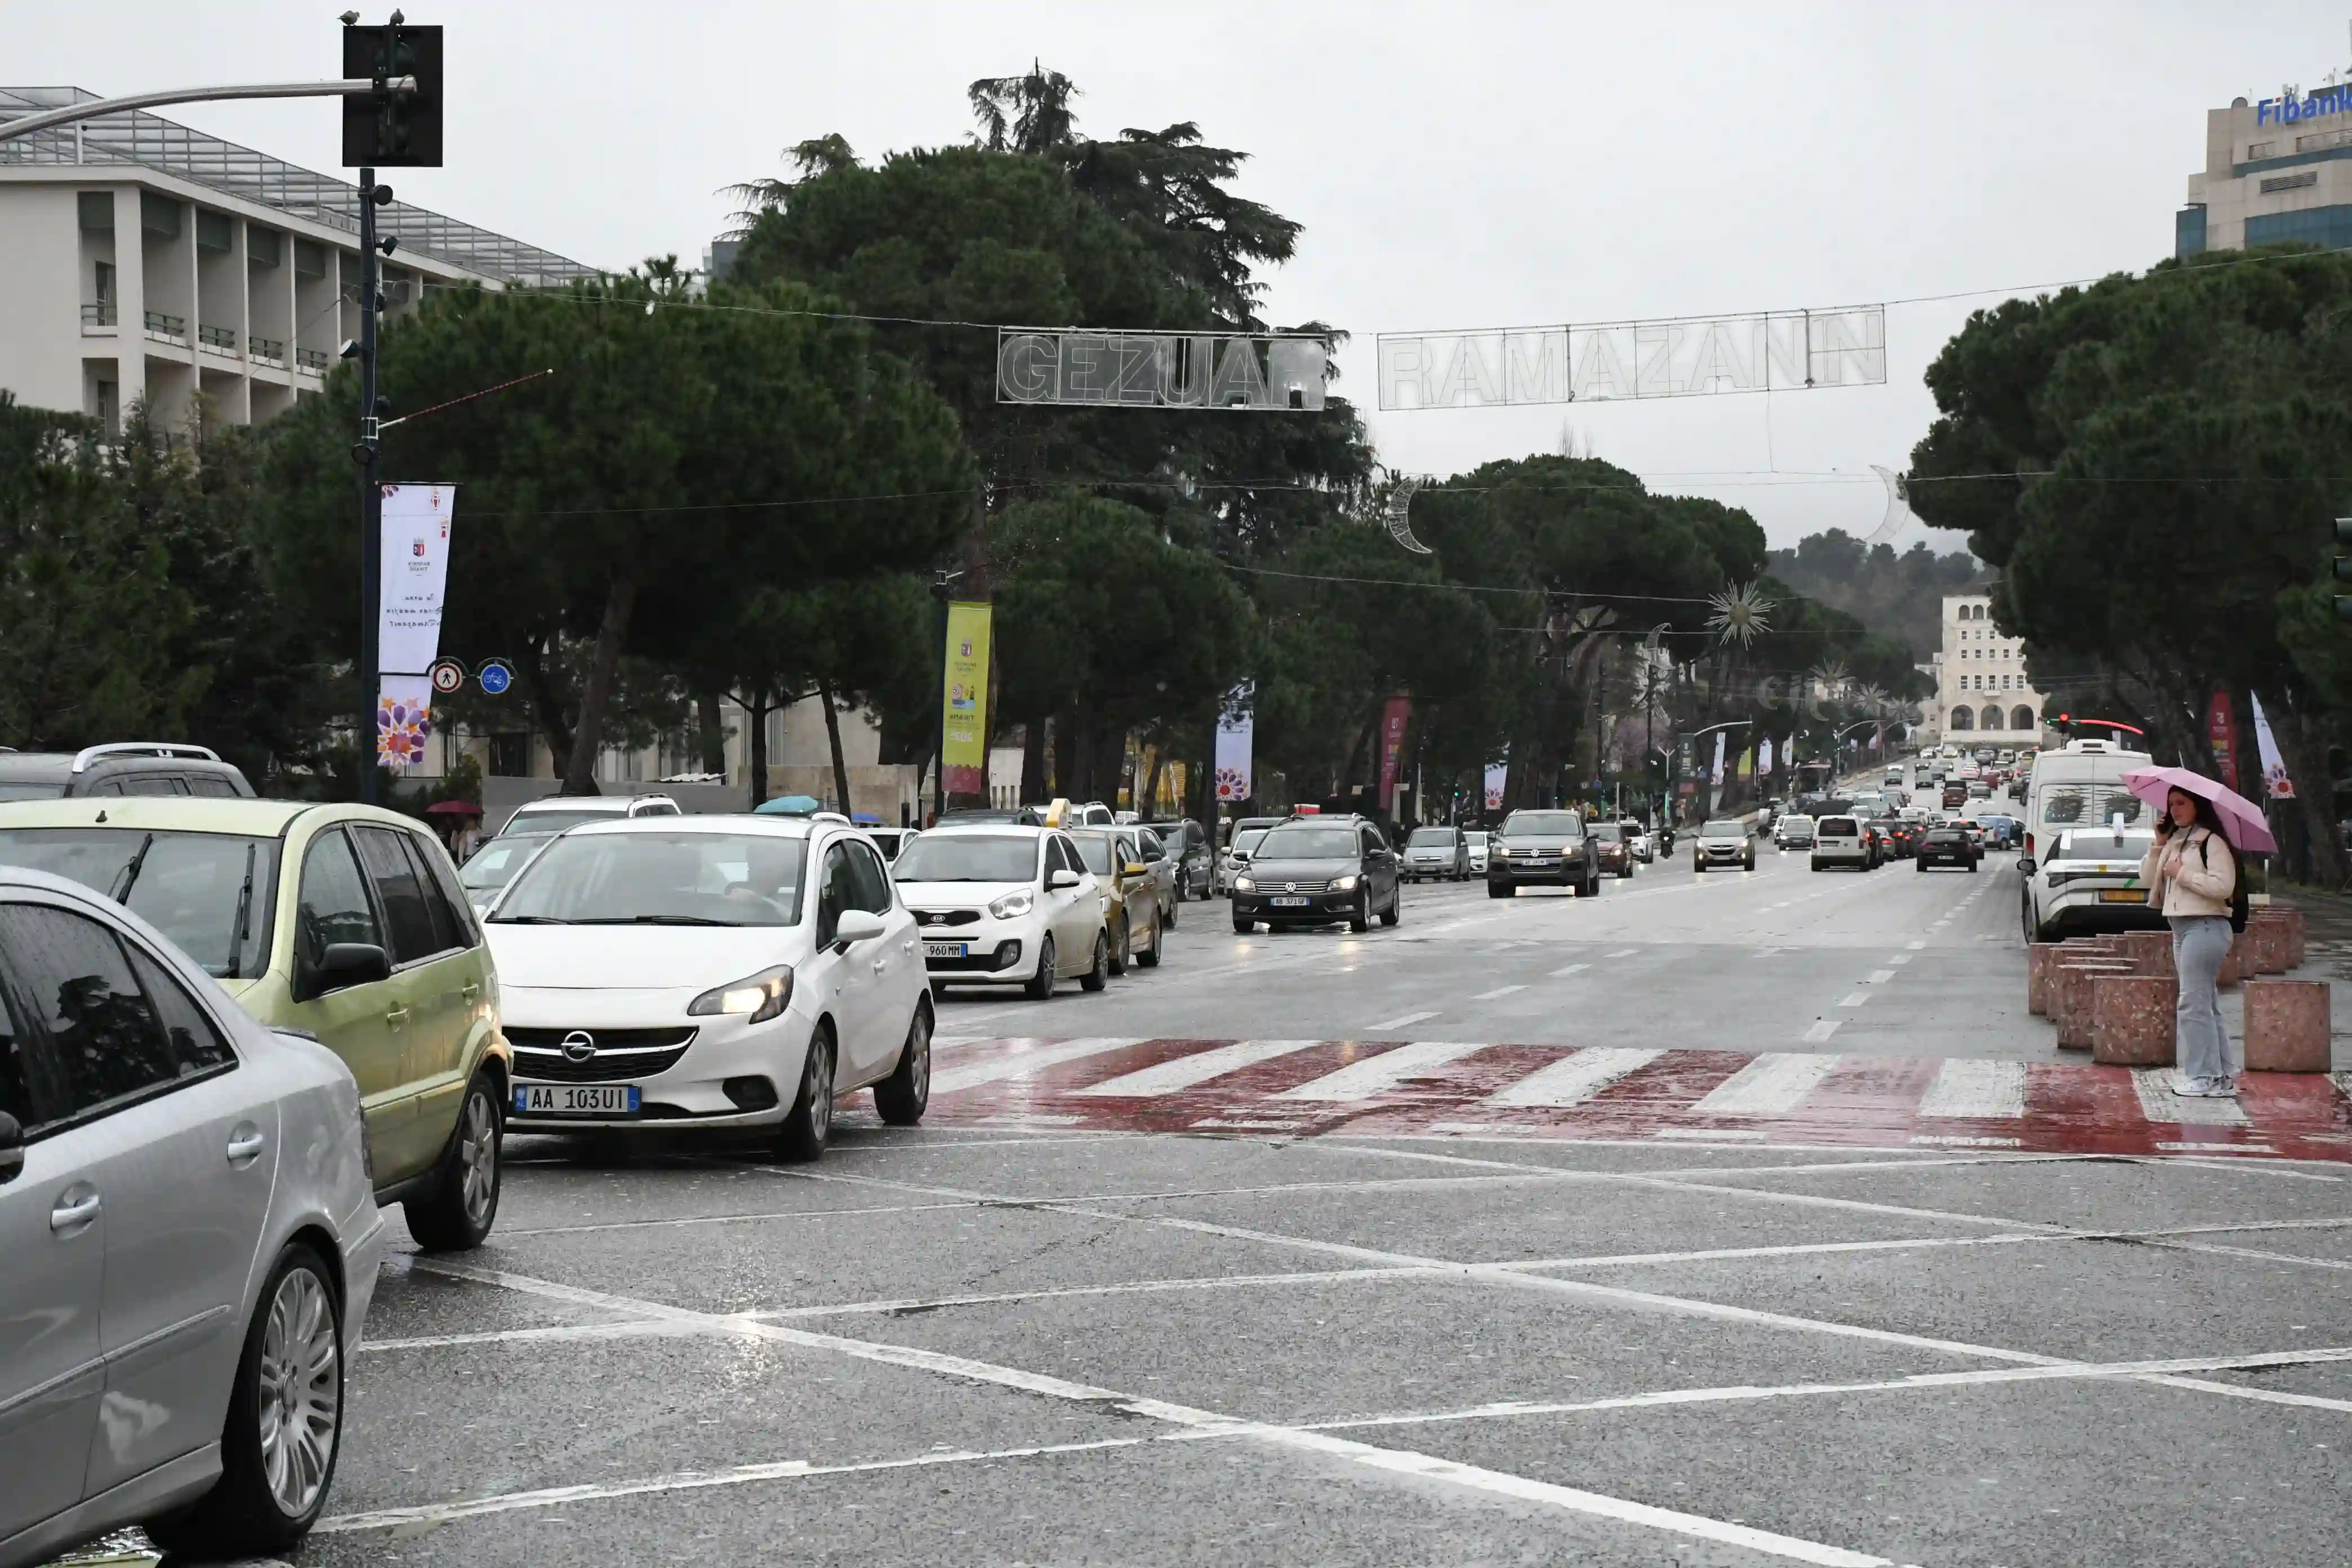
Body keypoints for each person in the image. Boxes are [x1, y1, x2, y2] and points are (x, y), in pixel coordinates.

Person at [2140, 785, 2239, 1097]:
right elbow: (2147, 879)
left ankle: (2202, 1075)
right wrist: (2158, 845)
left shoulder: (2213, 842)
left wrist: (2183, 874)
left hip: (2207, 926)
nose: (2175, 810)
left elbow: (2224, 887)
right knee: (2205, 1003)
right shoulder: (2176, 840)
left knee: (2193, 1004)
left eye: (2182, 803)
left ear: (2198, 805)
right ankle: (2222, 1075)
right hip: (2181, 927)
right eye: (2171, 804)